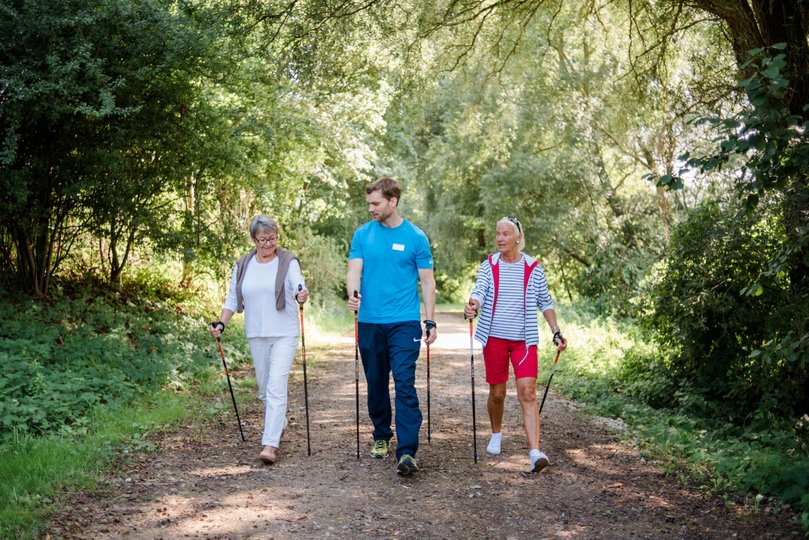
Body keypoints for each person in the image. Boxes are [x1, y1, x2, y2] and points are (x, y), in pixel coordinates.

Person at [346, 177, 437, 476]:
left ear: (392, 201)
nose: (371, 208)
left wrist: (430, 319)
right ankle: (382, 435)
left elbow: (427, 281)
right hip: (370, 321)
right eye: (369, 203)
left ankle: (407, 451)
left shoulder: (415, 237)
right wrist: (352, 294)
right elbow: (353, 271)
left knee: (404, 381)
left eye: (376, 203)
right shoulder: (362, 235)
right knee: (375, 382)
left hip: (404, 321)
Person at [464, 216, 567, 473]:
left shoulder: (533, 267)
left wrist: (555, 330)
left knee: (527, 393)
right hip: (495, 337)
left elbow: (545, 301)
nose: (500, 238)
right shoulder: (489, 264)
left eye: (505, 234)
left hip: (524, 340)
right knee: (497, 394)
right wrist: (473, 305)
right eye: (497, 234)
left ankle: (535, 452)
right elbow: (480, 290)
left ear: (518, 237)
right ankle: (496, 433)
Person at [209, 214, 308, 465]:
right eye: (262, 239)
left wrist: (301, 293)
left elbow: (298, 284)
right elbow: (233, 298)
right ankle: (279, 421)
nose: (267, 244)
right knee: (264, 390)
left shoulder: (287, 261)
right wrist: (222, 323)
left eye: (272, 238)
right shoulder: (243, 264)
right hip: (256, 333)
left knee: (276, 385)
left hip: (284, 332)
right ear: (254, 238)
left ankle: (270, 445)